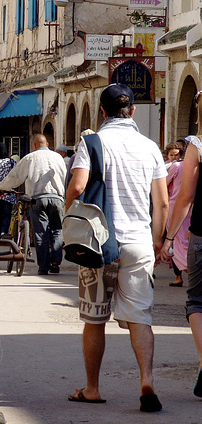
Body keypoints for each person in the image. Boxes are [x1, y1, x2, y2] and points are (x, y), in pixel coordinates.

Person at [67, 83, 168, 412]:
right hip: (140, 241)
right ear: (133, 111)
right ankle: (146, 380)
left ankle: (93, 388)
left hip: (99, 244)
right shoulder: (150, 147)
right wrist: (157, 239)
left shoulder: (92, 142)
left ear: (102, 111)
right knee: (141, 317)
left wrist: (69, 216)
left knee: (95, 319)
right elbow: (162, 203)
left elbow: (78, 186)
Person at [159, 124, 202, 398]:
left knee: (197, 300)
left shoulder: (198, 145)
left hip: (201, 234)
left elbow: (186, 196)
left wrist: (169, 237)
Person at [0, 134, 67, 275]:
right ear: (47, 144)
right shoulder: (58, 157)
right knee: (57, 231)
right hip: (57, 198)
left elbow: (14, 177)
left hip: (37, 198)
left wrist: (1, 187)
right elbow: (65, 177)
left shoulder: (30, 158)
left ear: (34, 145)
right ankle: (55, 262)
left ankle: (43, 267)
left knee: (41, 233)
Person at [164, 140, 188, 287]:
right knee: (184, 238)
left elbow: (163, 184)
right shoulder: (191, 165)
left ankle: (181, 271)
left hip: (173, 205)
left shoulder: (175, 167)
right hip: (188, 207)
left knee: (172, 238)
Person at [0, 143, 17, 239]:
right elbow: (16, 174)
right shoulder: (11, 162)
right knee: (7, 214)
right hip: (8, 192)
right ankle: (3, 232)